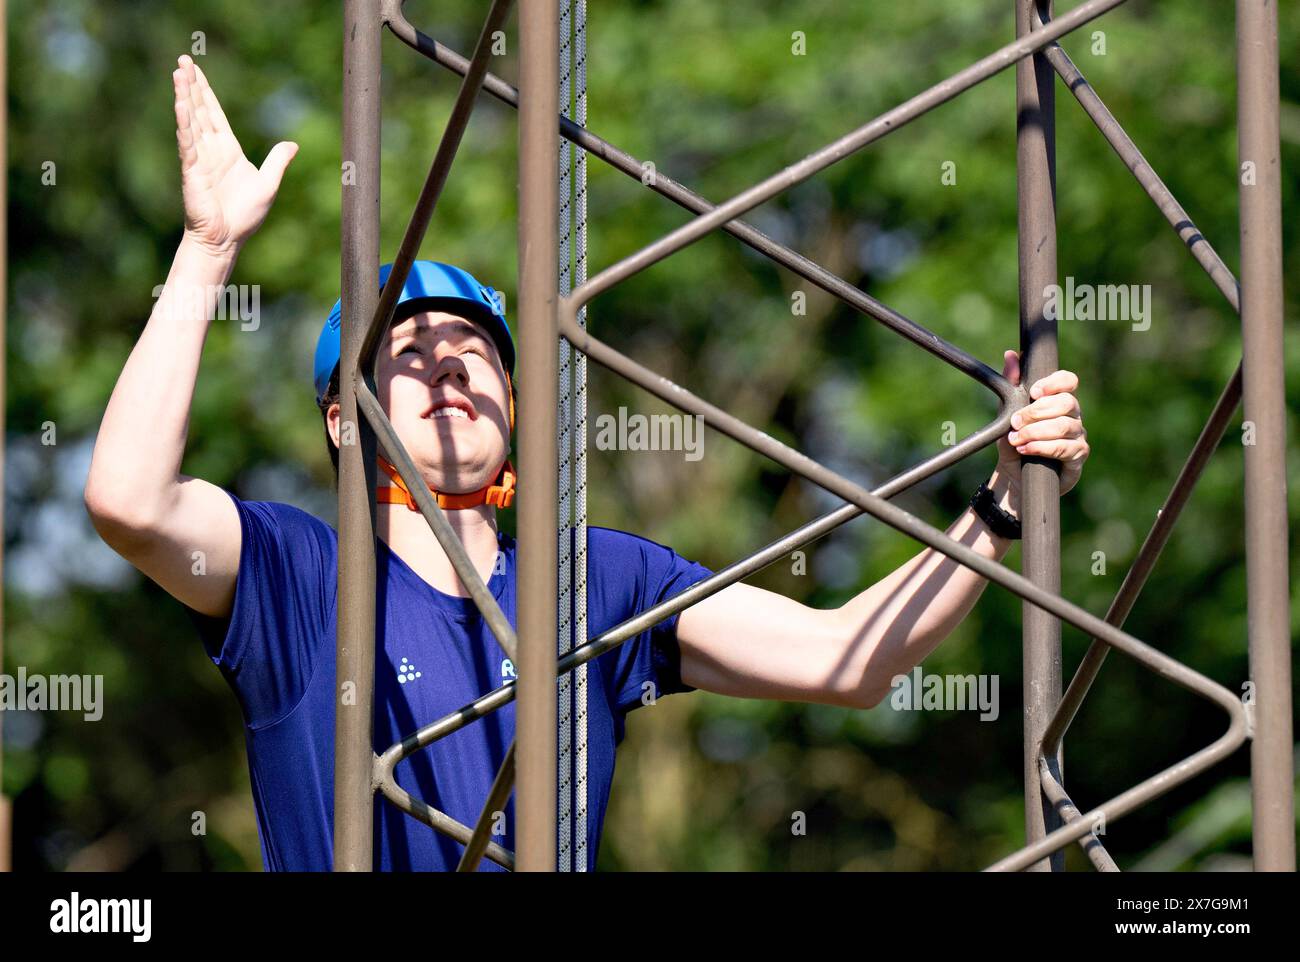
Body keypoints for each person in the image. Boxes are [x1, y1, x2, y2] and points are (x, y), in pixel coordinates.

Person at [84, 55, 1091, 871]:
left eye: (474, 349)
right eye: (405, 351)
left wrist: (1001, 499)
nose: (445, 364)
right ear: (343, 424)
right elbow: (128, 498)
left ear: (515, 410)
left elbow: (848, 659)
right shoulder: (299, 573)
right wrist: (208, 249)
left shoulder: (593, 581)